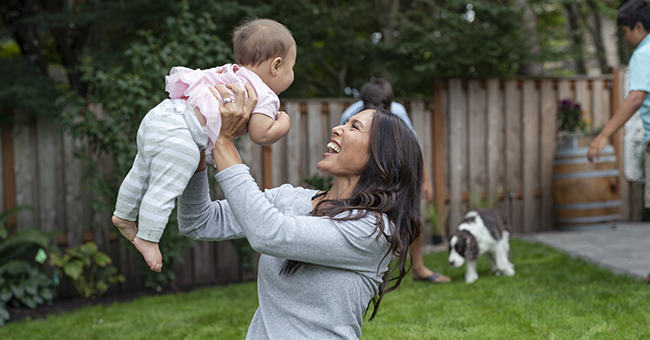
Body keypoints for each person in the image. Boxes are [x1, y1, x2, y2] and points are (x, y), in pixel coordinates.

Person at [178, 82, 424, 339]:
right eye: (345, 122)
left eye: (354, 127)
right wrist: (198, 151)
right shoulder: (290, 199)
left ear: (381, 156)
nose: (337, 128)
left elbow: (269, 233)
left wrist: (223, 141)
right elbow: (199, 221)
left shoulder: (372, 229)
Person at [111, 19, 296, 272]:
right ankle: (148, 237)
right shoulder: (263, 94)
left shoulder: (229, 72)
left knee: (141, 169)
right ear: (277, 65)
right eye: (292, 68)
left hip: (162, 114)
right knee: (166, 186)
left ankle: (123, 214)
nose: (292, 75)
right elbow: (261, 134)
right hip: (183, 133)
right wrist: (283, 121)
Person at [339, 78, 451, 283]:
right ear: (364, 104)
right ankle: (365, 270)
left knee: (412, 217)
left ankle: (418, 268)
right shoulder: (350, 116)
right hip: (364, 173)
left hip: (394, 171)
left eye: (385, 107)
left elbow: (412, 147)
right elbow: (343, 151)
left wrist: (425, 180)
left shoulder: (398, 112)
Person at [586, 0, 649, 283]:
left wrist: (603, 135)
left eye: (625, 31)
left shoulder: (644, 52)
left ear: (639, 26)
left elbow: (636, 97)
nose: (624, 37)